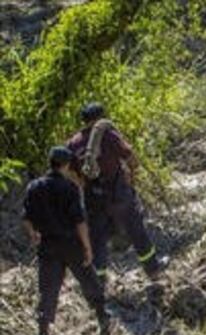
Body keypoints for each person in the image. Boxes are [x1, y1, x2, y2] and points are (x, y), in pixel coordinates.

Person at [22, 146, 109, 335]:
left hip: (48, 246)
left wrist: (34, 235)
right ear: (67, 165)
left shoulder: (34, 187)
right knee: (89, 280)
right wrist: (87, 248)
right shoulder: (69, 187)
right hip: (71, 244)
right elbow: (80, 222)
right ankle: (103, 322)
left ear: (50, 162)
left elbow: (26, 218)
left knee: (48, 290)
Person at [66, 102, 167, 283]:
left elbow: (70, 172)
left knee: (98, 241)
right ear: (100, 117)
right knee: (137, 232)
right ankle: (154, 273)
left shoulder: (74, 143)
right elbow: (132, 159)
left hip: (93, 198)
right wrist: (132, 178)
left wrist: (83, 184)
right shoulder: (108, 135)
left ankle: (98, 285)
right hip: (119, 194)